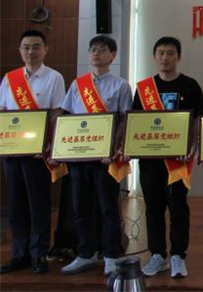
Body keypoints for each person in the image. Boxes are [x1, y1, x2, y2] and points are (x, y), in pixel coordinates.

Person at [132, 37, 203, 279]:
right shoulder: (144, 88)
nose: (165, 57)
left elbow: (198, 120)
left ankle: (177, 255)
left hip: (178, 160)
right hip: (150, 160)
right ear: (154, 57)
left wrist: (192, 147)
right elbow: (135, 121)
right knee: (153, 208)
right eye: (161, 53)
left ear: (179, 56)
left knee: (178, 207)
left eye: (171, 53)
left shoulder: (190, 85)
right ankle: (157, 255)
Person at [58, 35, 132, 275]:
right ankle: (85, 253)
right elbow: (67, 118)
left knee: (107, 207)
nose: (96, 53)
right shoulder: (77, 85)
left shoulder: (121, 86)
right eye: (93, 49)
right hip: (79, 158)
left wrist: (115, 148)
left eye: (102, 49)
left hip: (105, 159)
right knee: (81, 207)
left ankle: (110, 255)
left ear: (113, 55)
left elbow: (124, 121)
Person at [0, 30, 65, 275]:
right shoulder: (10, 78)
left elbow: (57, 113)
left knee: (38, 204)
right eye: (26, 47)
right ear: (20, 50)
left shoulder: (54, 78)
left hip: (38, 153)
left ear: (45, 49)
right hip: (12, 152)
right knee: (16, 205)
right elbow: (3, 112)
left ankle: (39, 254)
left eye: (36, 46)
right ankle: (20, 254)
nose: (31, 52)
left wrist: (47, 145)